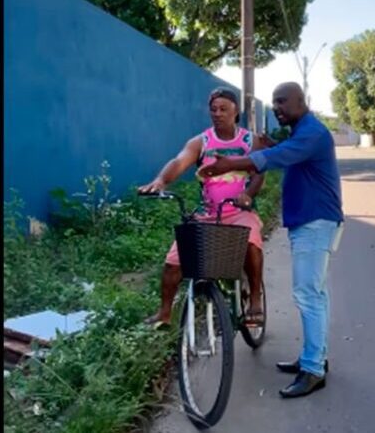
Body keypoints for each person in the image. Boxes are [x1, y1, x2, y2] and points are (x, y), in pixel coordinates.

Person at [199, 82, 344, 398]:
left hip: (315, 221)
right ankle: (314, 357)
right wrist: (268, 147)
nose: (277, 107)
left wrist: (229, 164)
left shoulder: (312, 133)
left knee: (308, 294)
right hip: (310, 220)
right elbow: (284, 152)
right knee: (315, 293)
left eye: (282, 101)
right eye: (275, 102)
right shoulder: (302, 132)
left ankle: (313, 370)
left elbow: (277, 157)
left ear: (301, 101)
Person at [139, 86, 266, 329]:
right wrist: (161, 181)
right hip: (208, 214)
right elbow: (179, 162)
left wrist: (248, 194)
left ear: (236, 111)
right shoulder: (201, 142)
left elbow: (259, 173)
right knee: (174, 261)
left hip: (239, 213)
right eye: (213, 109)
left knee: (251, 242)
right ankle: (164, 313)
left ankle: (255, 300)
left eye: (223, 109)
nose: (218, 114)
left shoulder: (251, 141)